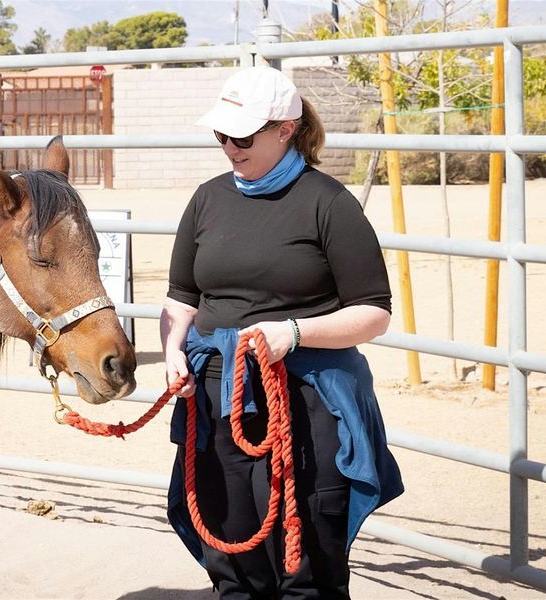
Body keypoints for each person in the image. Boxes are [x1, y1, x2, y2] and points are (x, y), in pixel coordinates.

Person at [160, 65, 404, 598]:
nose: (229, 147)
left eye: (242, 136)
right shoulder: (207, 198)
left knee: (306, 565)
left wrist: (293, 333)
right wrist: (174, 350)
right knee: (230, 553)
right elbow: (181, 297)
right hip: (217, 396)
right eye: (221, 135)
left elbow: (374, 313)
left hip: (306, 400)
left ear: (285, 129)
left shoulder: (329, 203)